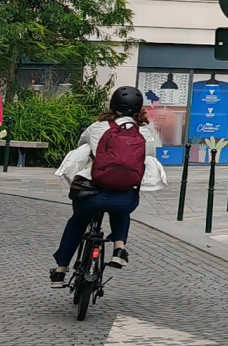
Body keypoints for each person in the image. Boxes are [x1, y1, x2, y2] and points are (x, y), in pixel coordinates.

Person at [50, 85, 166, 284]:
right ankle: (119, 249)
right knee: (121, 210)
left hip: (91, 192)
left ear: (113, 105)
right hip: (123, 196)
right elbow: (149, 158)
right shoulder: (145, 134)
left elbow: (81, 144)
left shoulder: (98, 127)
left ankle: (60, 271)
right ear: (139, 109)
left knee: (78, 222)